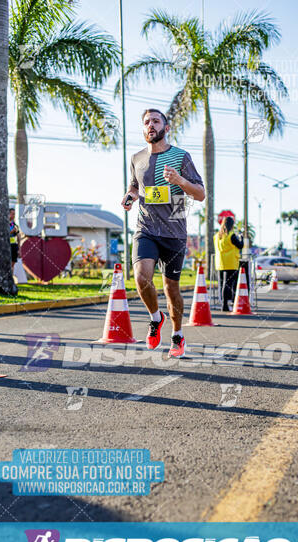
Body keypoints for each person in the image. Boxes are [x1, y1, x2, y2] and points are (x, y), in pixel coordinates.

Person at [122, 108, 205, 358]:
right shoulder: (137, 158)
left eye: (156, 121)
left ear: (166, 128)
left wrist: (180, 181)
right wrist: (129, 197)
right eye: (146, 122)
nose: (151, 125)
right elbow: (135, 186)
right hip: (146, 228)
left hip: (174, 232)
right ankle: (155, 318)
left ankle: (177, 335)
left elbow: (200, 194)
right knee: (141, 276)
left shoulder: (180, 156)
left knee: (171, 289)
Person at [213, 216, 244, 311]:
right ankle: (227, 305)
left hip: (220, 263)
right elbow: (240, 246)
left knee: (223, 283)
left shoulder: (217, 236)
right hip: (231, 263)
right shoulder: (231, 235)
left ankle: (224, 304)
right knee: (229, 284)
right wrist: (241, 238)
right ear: (232, 225)